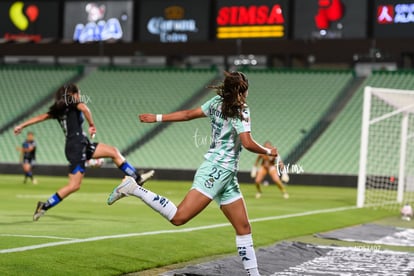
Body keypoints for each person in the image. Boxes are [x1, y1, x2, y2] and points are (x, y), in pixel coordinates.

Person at [107, 71, 278, 276]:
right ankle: (133, 188)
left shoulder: (217, 102)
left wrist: (157, 117)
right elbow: (248, 143)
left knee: (243, 227)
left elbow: (188, 115)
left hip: (227, 175)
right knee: (179, 217)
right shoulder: (241, 110)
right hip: (216, 170)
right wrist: (269, 152)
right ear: (244, 91)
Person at [13, 83, 154, 221]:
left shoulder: (60, 110)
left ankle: (136, 178)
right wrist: (92, 125)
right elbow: (85, 109)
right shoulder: (74, 104)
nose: (80, 96)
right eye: (78, 93)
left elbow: (40, 117)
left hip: (80, 144)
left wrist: (22, 125)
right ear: (71, 95)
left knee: (113, 152)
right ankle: (44, 206)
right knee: (74, 185)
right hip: (76, 147)